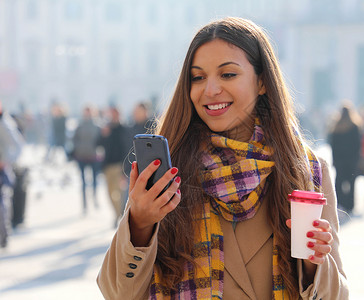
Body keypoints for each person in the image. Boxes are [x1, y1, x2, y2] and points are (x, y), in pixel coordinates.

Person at [97, 17, 348, 299]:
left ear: (262, 81)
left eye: (228, 74)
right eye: (198, 77)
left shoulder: (307, 172)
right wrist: (139, 224)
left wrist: (313, 266)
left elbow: (337, 295)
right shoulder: (167, 171)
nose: (210, 89)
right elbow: (116, 292)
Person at [329, 101, 362, 215]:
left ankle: (341, 202)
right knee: (351, 182)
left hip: (339, 160)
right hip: (352, 160)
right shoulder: (355, 126)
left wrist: (334, 159)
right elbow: (358, 144)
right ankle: (350, 205)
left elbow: (333, 145)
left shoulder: (336, 126)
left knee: (339, 181)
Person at [98, 106, 129, 226]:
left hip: (118, 165)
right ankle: (117, 214)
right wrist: (103, 135)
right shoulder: (107, 128)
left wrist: (124, 169)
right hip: (107, 166)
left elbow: (126, 148)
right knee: (109, 193)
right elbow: (99, 144)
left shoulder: (123, 129)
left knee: (119, 193)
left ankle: (119, 216)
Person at [0, 100, 25, 248]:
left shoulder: (5, 123)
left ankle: (3, 236)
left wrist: (6, 161)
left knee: (2, 204)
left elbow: (18, 145)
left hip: (2, 170)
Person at [72, 106, 102, 215]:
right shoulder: (79, 125)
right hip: (81, 156)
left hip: (94, 156)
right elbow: (74, 139)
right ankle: (84, 204)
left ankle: (94, 197)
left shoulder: (97, 126)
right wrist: (77, 148)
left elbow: (101, 140)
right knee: (83, 181)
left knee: (94, 180)